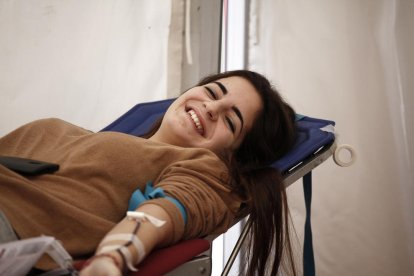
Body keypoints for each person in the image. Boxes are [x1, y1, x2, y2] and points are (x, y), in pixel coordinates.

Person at [0, 70, 297, 275]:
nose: (211, 107)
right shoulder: (102, 139)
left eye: (231, 122)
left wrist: (112, 258)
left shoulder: (205, 172)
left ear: (235, 156)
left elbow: (160, 216)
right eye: (211, 91)